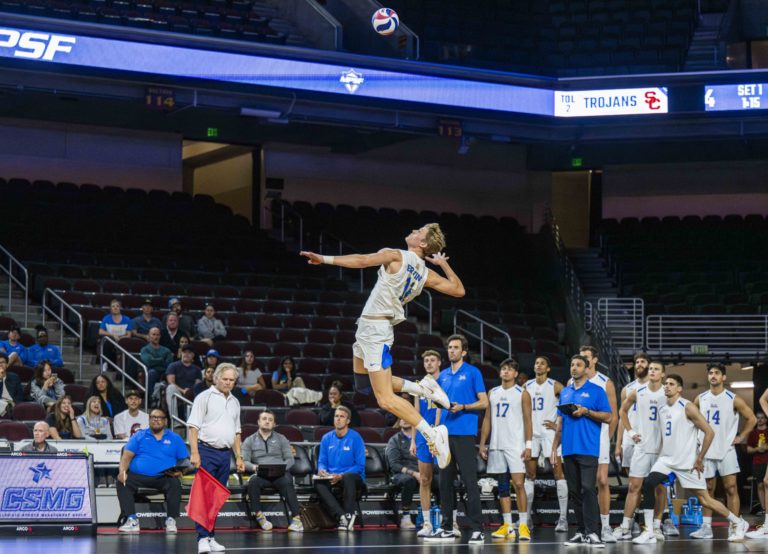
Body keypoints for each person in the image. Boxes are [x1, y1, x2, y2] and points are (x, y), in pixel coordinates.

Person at [300, 225, 465, 469]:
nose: (413, 229)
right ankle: (423, 388)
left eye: (419, 230)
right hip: (372, 329)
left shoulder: (397, 255)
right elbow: (459, 290)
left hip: (376, 331)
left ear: (422, 244)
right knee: (363, 383)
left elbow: (363, 260)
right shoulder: (425, 273)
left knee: (385, 399)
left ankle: (431, 433)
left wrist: (323, 259)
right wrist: (442, 264)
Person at [631, 374, 749, 544]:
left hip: (686, 463)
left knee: (705, 499)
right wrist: (659, 456)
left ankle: (739, 522)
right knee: (649, 483)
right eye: (666, 384)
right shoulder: (662, 408)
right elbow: (665, 437)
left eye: (671, 384)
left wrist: (700, 458)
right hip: (667, 460)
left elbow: (709, 432)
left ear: (679, 388)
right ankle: (650, 530)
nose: (667, 386)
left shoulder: (687, 407)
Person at [426, 335, 488, 545]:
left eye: (455, 348)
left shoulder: (473, 372)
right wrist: (434, 432)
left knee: (469, 481)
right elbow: (437, 406)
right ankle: (446, 527)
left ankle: (478, 529)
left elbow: (484, 402)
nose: (451, 351)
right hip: (443, 434)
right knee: (445, 483)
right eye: (449, 347)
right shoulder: (442, 376)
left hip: (464, 434)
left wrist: (464, 407)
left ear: (463, 352)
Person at [552, 354, 612, 548]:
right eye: (572, 364)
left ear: (587, 369)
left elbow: (609, 417)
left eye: (578, 365)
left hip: (588, 447)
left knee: (588, 489)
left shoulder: (596, 391)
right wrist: (555, 447)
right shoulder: (566, 392)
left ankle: (594, 532)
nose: (574, 368)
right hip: (568, 448)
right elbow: (560, 421)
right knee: (575, 491)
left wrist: (586, 411)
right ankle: (581, 531)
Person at [691, 362, 756, 539]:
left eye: (717, 373)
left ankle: (735, 525)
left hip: (726, 449)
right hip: (705, 450)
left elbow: (751, 418)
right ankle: (706, 527)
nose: (713, 375)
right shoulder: (700, 398)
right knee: (708, 489)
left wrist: (742, 436)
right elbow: (691, 421)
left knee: (731, 488)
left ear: (723, 377)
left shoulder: (733, 398)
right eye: (710, 373)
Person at [187, 363, 245, 554]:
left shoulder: (235, 401)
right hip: (206, 451)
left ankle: (211, 536)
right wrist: (194, 453)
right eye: (225, 379)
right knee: (204, 497)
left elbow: (237, 432)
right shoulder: (204, 397)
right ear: (216, 378)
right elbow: (193, 427)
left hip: (225, 455)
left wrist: (239, 457)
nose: (228, 383)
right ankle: (202, 538)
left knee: (216, 499)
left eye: (232, 380)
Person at [613, 360, 667, 541]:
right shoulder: (637, 392)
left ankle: (657, 526)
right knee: (634, 487)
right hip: (642, 447)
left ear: (663, 374)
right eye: (650, 368)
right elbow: (622, 411)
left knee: (659, 489)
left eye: (656, 369)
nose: (652, 371)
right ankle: (626, 527)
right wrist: (630, 431)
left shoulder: (667, 393)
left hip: (662, 451)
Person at [480, 358, 532, 541]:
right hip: (496, 444)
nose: (505, 372)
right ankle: (508, 525)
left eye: (509, 369)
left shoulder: (522, 393)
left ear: (516, 374)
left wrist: (528, 445)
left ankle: (524, 525)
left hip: (515, 445)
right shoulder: (492, 392)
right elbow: (487, 419)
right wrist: (482, 443)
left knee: (518, 484)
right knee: (502, 487)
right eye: (503, 369)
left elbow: (528, 421)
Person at [117, 407, 189, 534]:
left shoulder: (175, 438)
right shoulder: (139, 435)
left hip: (163, 477)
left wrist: (181, 472)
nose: (156, 420)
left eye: (159, 417)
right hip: (138, 476)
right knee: (122, 482)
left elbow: (185, 461)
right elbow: (126, 456)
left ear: (165, 421)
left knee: (175, 483)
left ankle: (171, 520)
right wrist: (122, 472)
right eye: (153, 417)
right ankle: (132, 520)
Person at [578, 345, 619, 543]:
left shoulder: (606, 382)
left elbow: (614, 416)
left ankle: (606, 526)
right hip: (580, 439)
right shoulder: (573, 381)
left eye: (586, 357)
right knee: (586, 485)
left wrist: (607, 439)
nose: (583, 360)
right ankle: (589, 527)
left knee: (602, 480)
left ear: (594, 360)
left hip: (599, 438)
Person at [523, 355, 568, 532]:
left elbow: (568, 406)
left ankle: (563, 518)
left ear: (548, 368)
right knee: (530, 475)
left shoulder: (556, 385)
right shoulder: (526, 386)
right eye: (536, 363)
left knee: (559, 474)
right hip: (532, 434)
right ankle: (526, 518)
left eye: (542, 363)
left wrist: (558, 424)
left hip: (550, 433)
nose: (539, 365)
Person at [242, 410, 303, 532]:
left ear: (274, 424)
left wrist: (281, 468)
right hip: (261, 473)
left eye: (270, 420)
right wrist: (255, 467)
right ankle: (259, 516)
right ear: (259, 422)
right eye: (264, 419)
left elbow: (290, 459)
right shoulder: (249, 440)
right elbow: (244, 461)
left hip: (280, 473)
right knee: (253, 482)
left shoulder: (282, 438)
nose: (267, 421)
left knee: (287, 480)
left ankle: (297, 519)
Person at [315, 405, 366, 531]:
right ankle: (341, 516)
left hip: (353, 477)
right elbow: (322, 461)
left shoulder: (356, 438)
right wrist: (322, 470)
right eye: (336, 416)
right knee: (317, 482)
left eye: (341, 417)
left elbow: (360, 466)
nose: (338, 419)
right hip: (332, 476)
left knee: (348, 477)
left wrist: (341, 475)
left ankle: (349, 514)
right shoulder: (326, 438)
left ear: (348, 421)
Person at [411, 350, 442, 538]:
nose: (429, 363)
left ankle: (450, 522)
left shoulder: (444, 382)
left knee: (446, 480)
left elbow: (440, 409)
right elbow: (414, 413)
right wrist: (413, 439)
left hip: (440, 434)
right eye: (426, 361)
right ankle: (428, 523)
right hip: (423, 435)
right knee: (424, 479)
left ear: (439, 363)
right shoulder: (419, 385)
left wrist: (435, 432)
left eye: (432, 360)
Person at [616, 353, 650, 474]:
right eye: (637, 362)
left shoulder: (656, 388)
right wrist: (618, 444)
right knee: (632, 477)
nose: (639, 364)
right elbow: (622, 417)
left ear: (649, 365)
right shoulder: (627, 389)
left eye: (643, 362)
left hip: (648, 438)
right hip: (629, 437)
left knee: (650, 478)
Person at [386, 419, 421, 530]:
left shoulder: (421, 438)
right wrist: (414, 473)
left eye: (407, 417)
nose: (405, 420)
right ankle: (406, 517)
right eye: (401, 418)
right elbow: (394, 465)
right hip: (401, 473)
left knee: (439, 479)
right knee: (409, 480)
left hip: (422, 472)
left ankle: (443, 517)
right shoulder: (394, 440)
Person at [165, 345, 202, 424]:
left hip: (192, 394)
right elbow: (171, 382)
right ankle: (175, 422)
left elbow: (198, 385)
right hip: (178, 393)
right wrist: (183, 390)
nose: (186, 354)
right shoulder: (173, 365)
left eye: (189, 352)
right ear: (181, 353)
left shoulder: (197, 369)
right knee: (171, 387)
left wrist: (189, 391)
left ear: (193, 355)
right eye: (184, 352)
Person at [746, 412, 768, 538]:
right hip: (757, 461)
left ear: (766, 419)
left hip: (767, 459)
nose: (760, 420)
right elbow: (748, 449)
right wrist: (757, 449)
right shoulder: (753, 433)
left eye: (762, 418)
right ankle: (764, 509)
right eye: (758, 418)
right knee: (760, 484)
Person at [139, 327, 174, 402]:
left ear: (160, 336)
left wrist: (155, 361)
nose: (156, 337)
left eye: (158, 335)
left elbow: (169, 363)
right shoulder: (145, 349)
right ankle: (150, 399)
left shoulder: (166, 350)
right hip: (152, 372)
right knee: (152, 373)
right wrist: (162, 359)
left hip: (165, 372)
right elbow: (148, 361)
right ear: (149, 336)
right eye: (153, 334)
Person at [98, 299, 133, 371]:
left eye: (117, 306)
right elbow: (100, 332)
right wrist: (112, 335)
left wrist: (122, 338)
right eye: (113, 306)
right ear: (110, 309)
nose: (115, 308)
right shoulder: (106, 318)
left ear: (120, 308)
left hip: (122, 341)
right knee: (107, 341)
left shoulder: (127, 319)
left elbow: (129, 335)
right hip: (110, 341)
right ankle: (105, 363)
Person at [0, 353, 23, 417]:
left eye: (3, 362)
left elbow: (20, 396)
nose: (0, 364)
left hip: (12, 405)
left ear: (7, 364)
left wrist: (14, 403)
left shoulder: (14, 377)